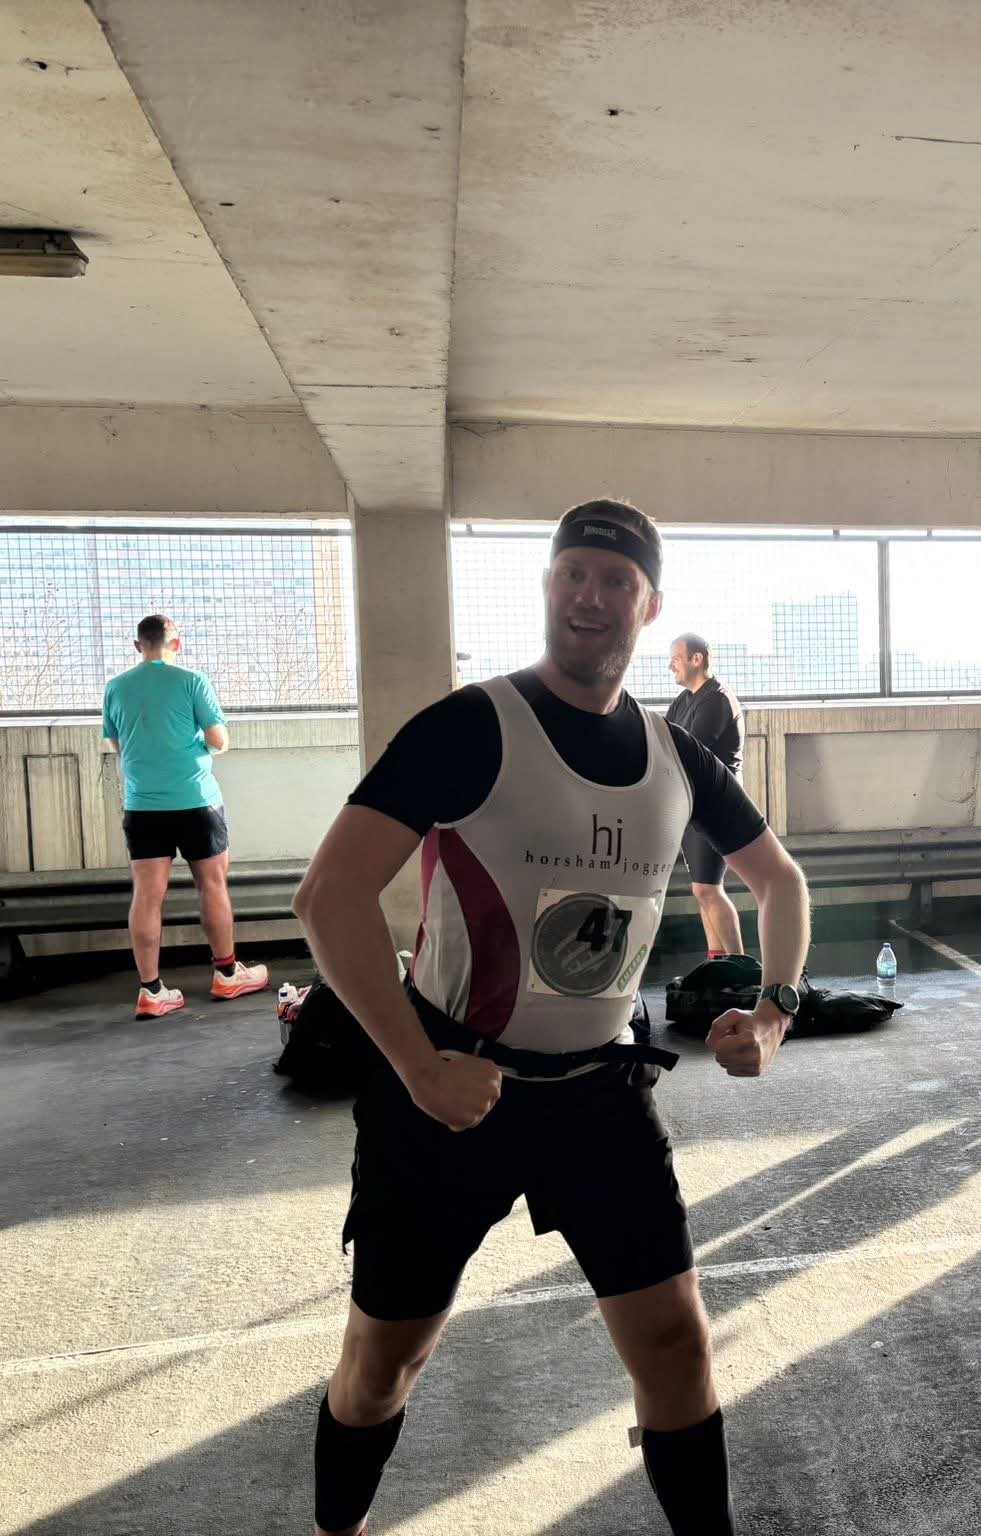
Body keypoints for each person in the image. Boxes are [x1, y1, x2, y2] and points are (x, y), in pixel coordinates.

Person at [292, 499, 811, 1536]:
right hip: (446, 1097)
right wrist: (415, 1066)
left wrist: (774, 1013)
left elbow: (781, 883)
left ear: (648, 604)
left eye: (615, 580)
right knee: (384, 1364)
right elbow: (329, 895)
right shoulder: (470, 725)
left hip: (599, 1095)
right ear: (546, 588)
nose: (591, 595)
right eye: (573, 572)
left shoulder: (676, 755)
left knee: (676, 1346)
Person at [100, 614, 268, 1020]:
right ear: (177, 644)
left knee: (147, 895)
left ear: (138, 646)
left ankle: (151, 991)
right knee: (211, 885)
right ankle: (227, 973)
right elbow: (218, 740)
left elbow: (116, 743)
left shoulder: (116, 687)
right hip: (196, 800)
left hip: (143, 806)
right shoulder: (192, 681)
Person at [668, 632, 747, 957]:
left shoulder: (717, 699)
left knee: (707, 889)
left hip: (716, 807)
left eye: (676, 657)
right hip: (693, 807)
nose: (670, 665)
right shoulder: (684, 700)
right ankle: (718, 964)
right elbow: (666, 738)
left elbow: (690, 749)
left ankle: (742, 968)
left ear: (696, 659)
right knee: (703, 890)